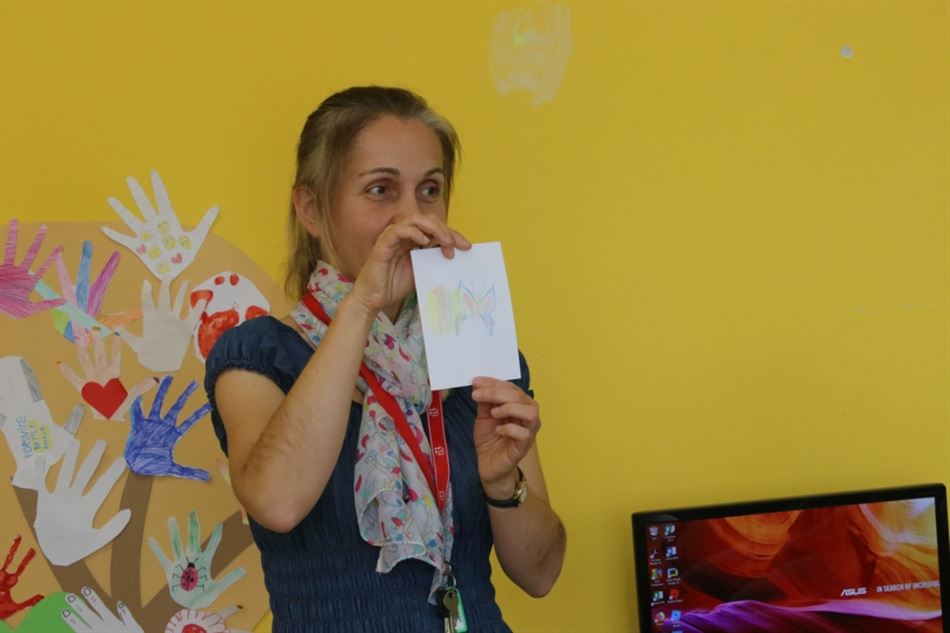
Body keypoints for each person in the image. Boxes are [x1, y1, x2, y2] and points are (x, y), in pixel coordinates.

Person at [205, 86, 566, 633]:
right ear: (311, 209)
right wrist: (363, 304)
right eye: (380, 190)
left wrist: (502, 484)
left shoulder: (479, 352)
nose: (412, 217)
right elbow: (276, 503)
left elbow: (541, 573)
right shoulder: (260, 354)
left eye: (430, 190)